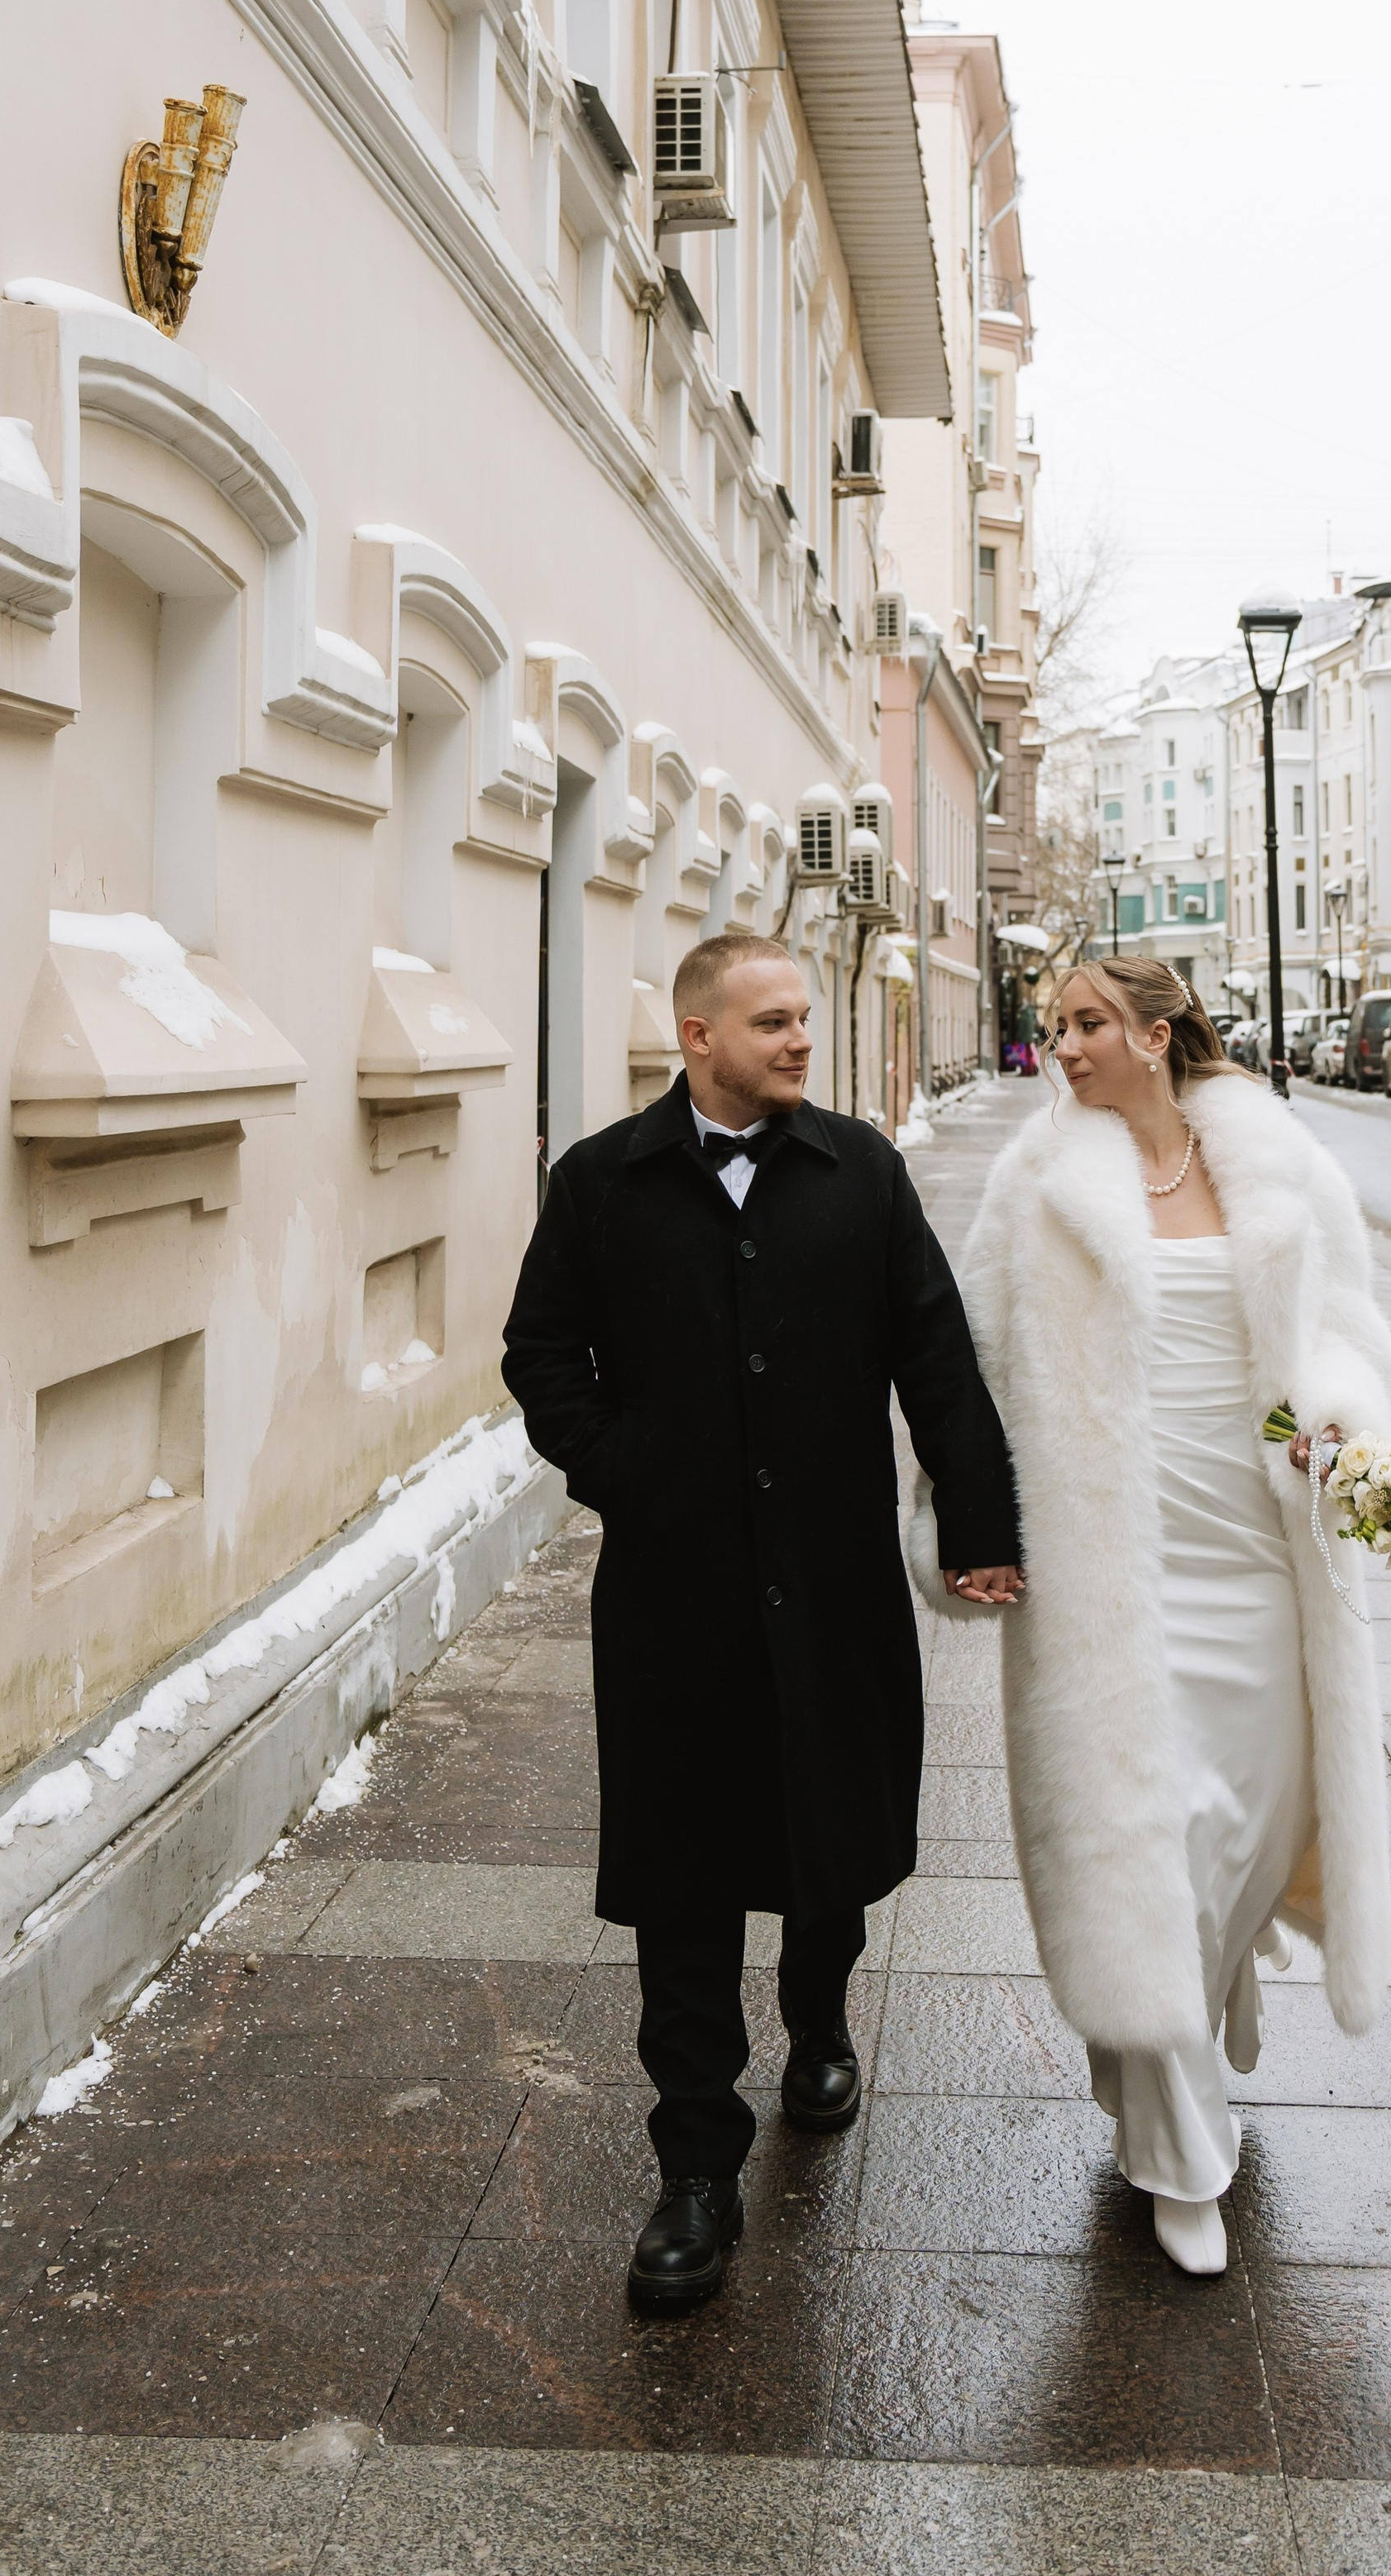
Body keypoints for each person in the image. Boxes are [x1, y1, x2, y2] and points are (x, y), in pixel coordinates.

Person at [501, 933, 1021, 2312]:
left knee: (828, 1831)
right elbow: (541, 1353)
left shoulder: (862, 1173)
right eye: (773, 1021)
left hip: (835, 1580)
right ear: (699, 1038)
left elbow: (935, 1352)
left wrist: (980, 1524)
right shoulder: (601, 1182)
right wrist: (625, 1472)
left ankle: (820, 2013)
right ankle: (694, 2166)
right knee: (681, 1872)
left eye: (802, 1018)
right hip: (672, 1596)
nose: (800, 1039)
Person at [925, 956, 1391, 2278]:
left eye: (1086, 1024)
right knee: (1155, 1848)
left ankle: (1186, 2007)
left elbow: (1349, 1336)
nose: (1062, 1048)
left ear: (1157, 1030)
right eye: (1054, 1028)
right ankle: (1183, 2156)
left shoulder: (1279, 1167)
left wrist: (1336, 1424)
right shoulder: (1038, 1184)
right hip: (1111, 1568)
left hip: (1257, 1553)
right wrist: (963, 1525)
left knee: (1252, 1832)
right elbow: (972, 1364)